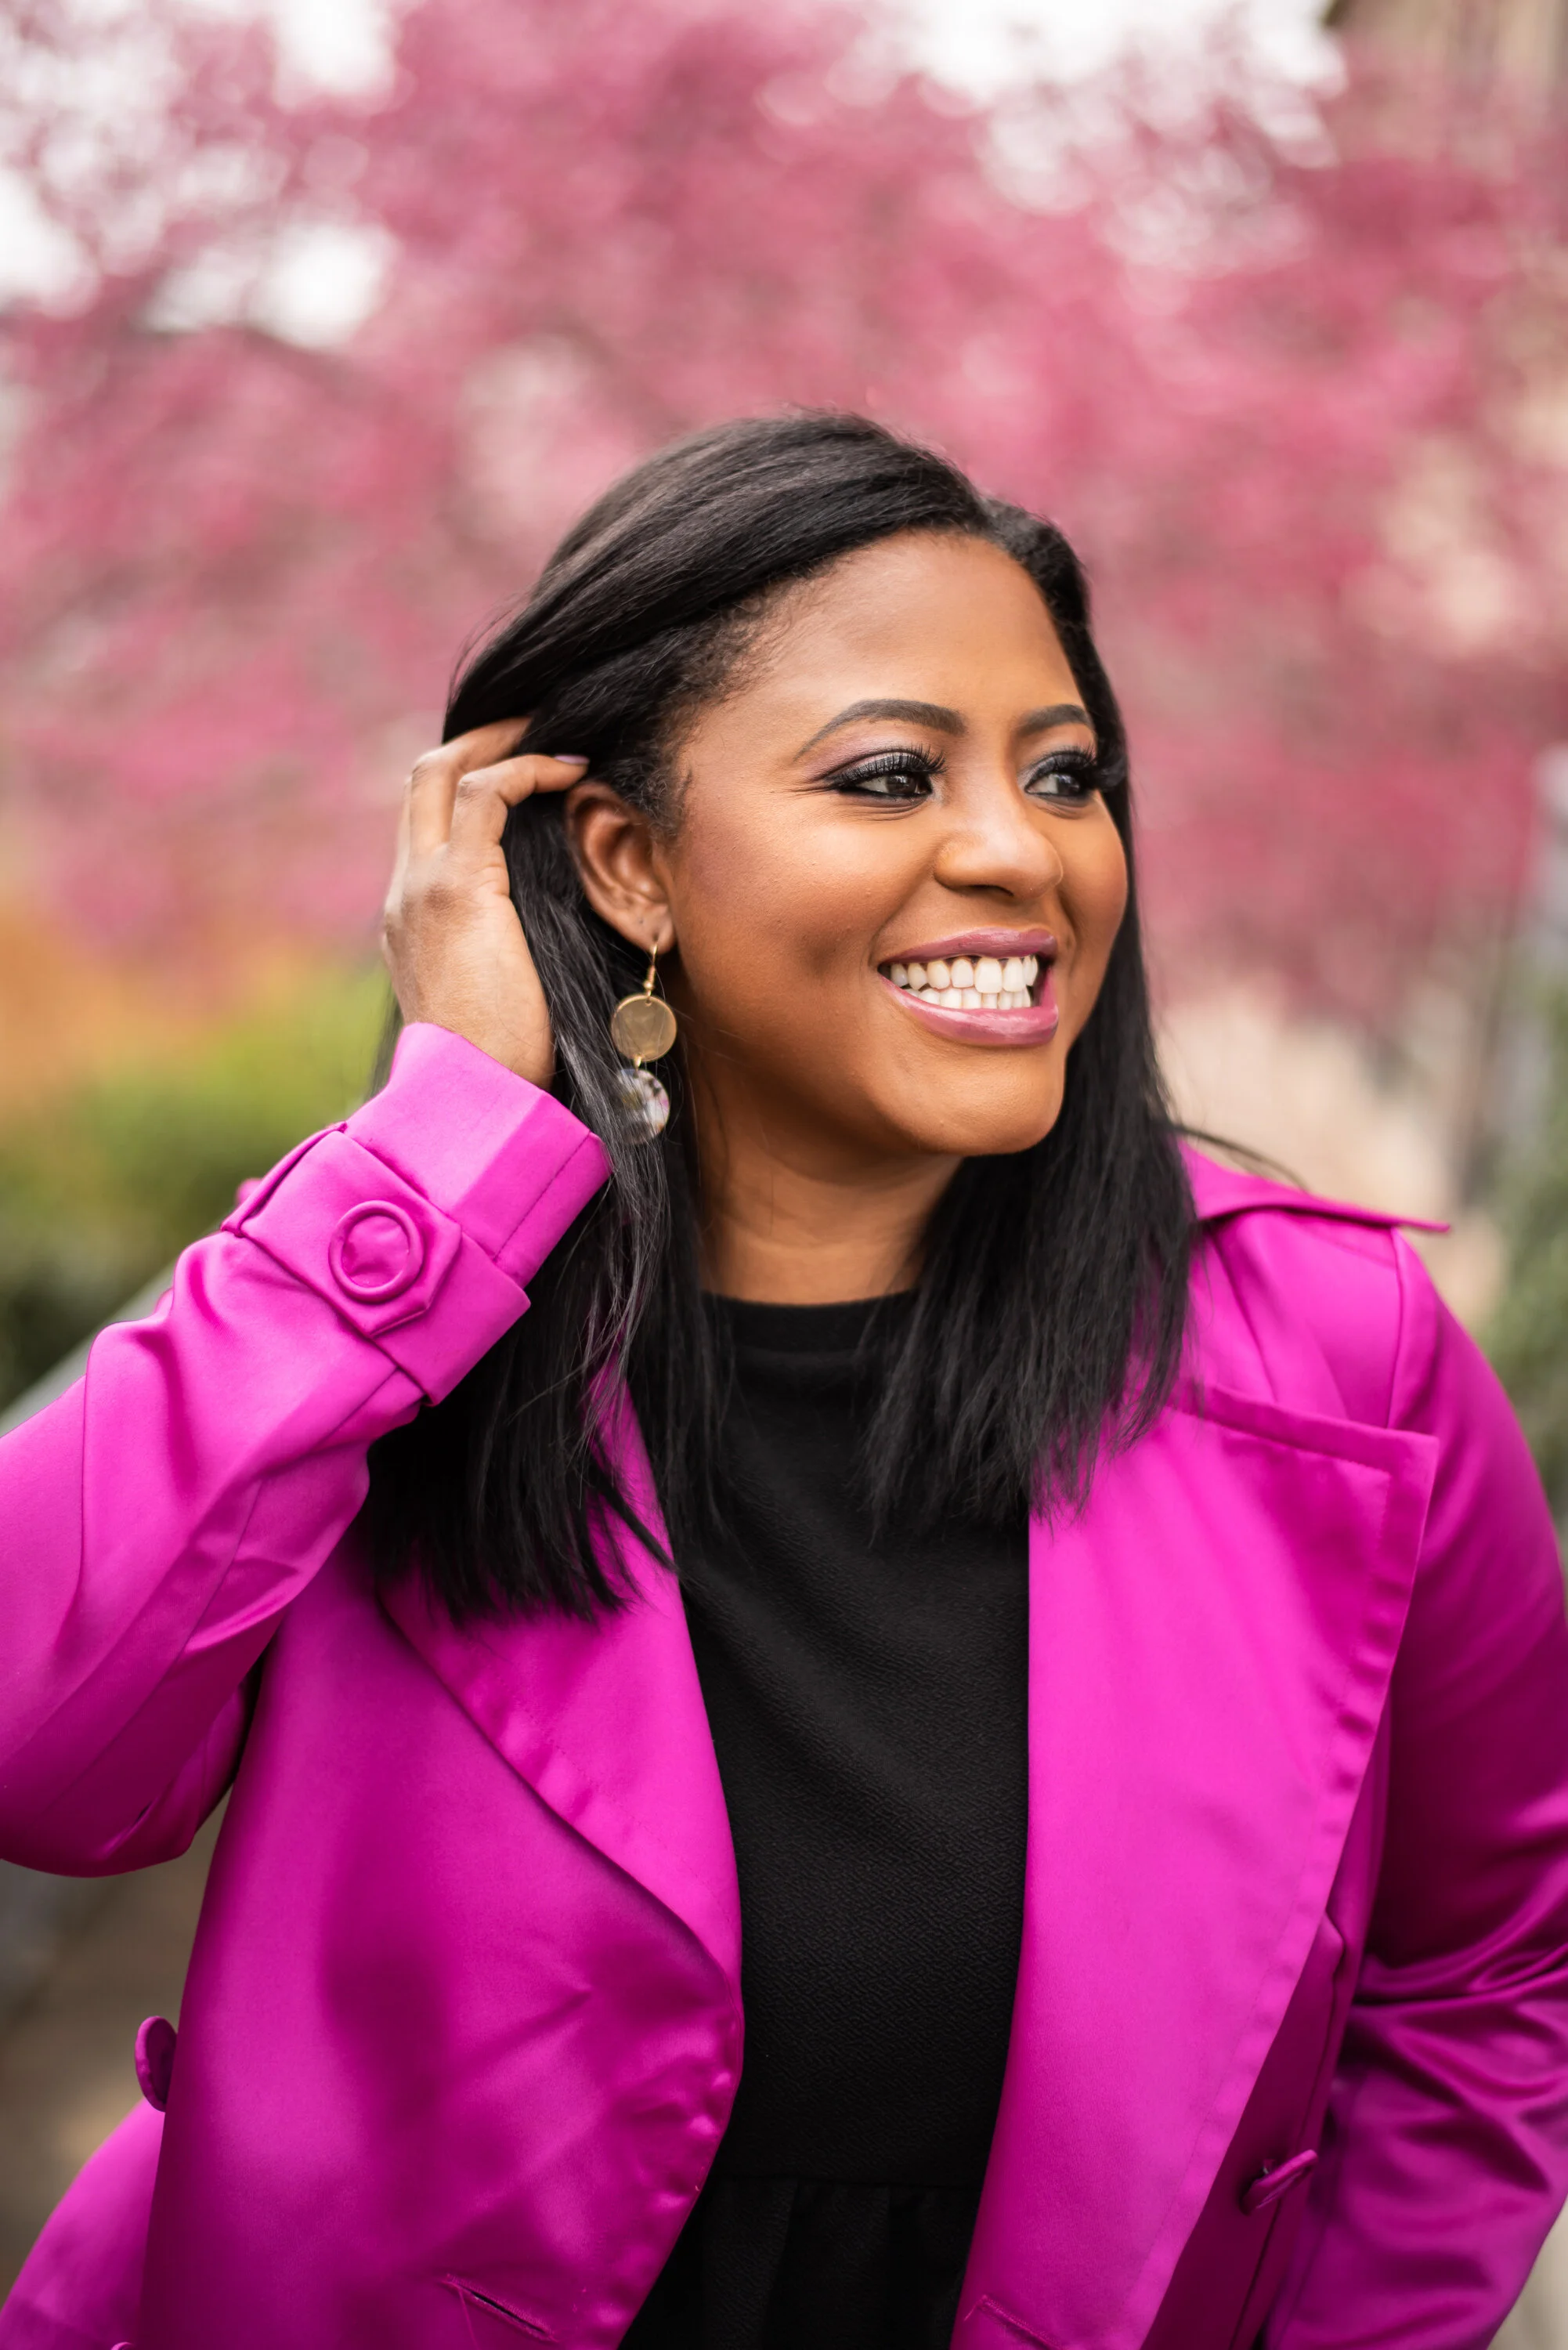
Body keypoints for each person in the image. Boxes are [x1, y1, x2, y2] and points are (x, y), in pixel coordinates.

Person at [1, 413, 1566, 2350]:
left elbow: (1488, 1971)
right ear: (627, 863)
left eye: (1064, 774)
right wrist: (439, 1142)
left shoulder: (1338, 1358)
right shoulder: (380, 1340)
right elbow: (38, 1749)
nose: (1018, 851)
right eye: (891, 774)